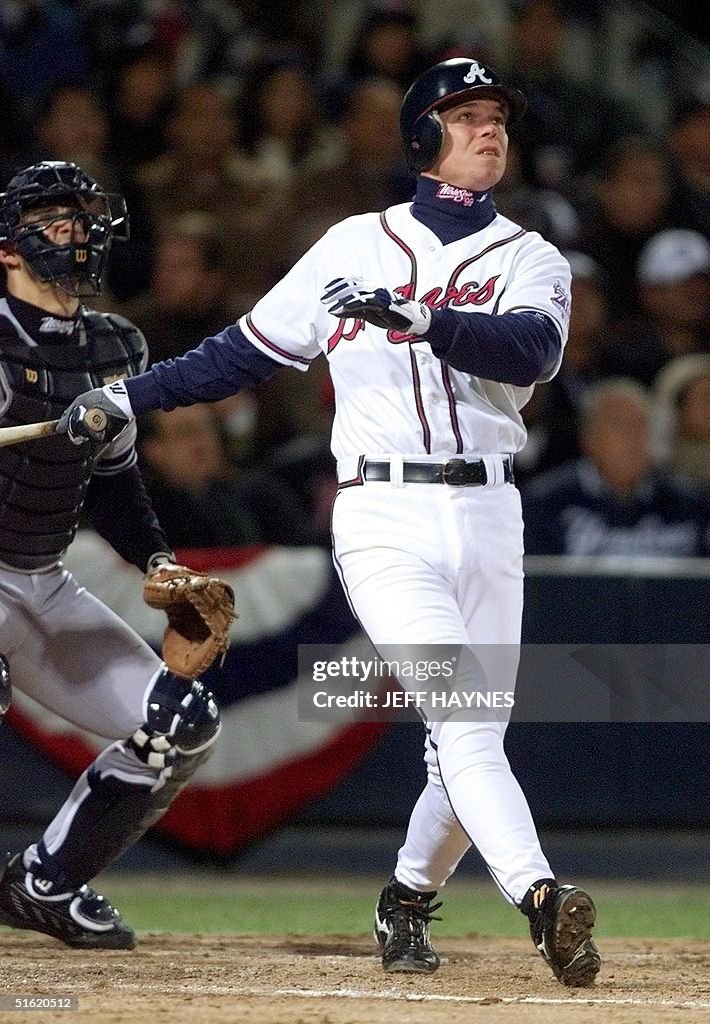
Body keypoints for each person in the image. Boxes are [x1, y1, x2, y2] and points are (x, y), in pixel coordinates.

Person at [58, 58, 601, 987]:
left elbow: (534, 348)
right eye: (465, 116)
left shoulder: (530, 255)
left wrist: (421, 317)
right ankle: (543, 897)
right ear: (422, 137)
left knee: (472, 736)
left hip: (489, 507)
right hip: (383, 511)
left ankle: (404, 898)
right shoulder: (353, 244)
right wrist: (125, 395)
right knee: (463, 722)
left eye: (497, 117)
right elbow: (238, 354)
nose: (489, 130)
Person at [0, 160, 222, 949]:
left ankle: (45, 882)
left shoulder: (115, 345)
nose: (75, 231)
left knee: (181, 720)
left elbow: (117, 486)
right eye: (53, 219)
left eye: (81, 218)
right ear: (8, 247)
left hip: (43, 582)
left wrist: (158, 564)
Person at [522, 378, 709, 557]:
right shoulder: (545, 504)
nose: (634, 437)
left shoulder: (690, 505)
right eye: (620, 425)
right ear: (589, 439)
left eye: (641, 424)